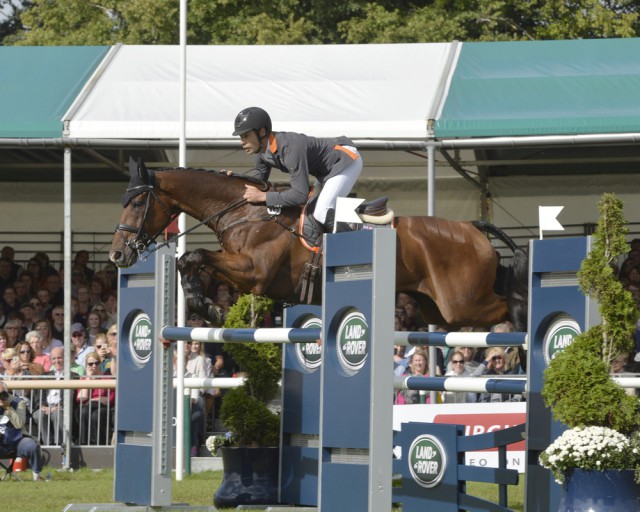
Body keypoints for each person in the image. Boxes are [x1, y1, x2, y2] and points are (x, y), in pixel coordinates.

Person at [232, 106, 363, 233]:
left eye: (246, 136)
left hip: (345, 160)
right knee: (309, 213)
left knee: (321, 212)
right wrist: (232, 179)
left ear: (261, 132)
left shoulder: (290, 148)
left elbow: (300, 195)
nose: (241, 142)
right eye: (241, 137)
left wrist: (264, 196)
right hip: (327, 171)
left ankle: (356, 246)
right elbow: (257, 184)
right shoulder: (261, 153)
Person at [32, 347, 78, 446]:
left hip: (61, 408)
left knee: (57, 414)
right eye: (54, 358)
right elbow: (39, 394)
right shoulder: (45, 376)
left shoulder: (73, 376)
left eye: (59, 358)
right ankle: (47, 444)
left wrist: (59, 406)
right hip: (46, 406)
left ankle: (60, 444)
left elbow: (71, 396)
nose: (57, 361)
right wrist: (42, 405)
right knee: (39, 414)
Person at [0, 380, 44, 481]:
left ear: (7, 392)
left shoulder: (18, 402)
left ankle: (36, 475)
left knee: (31, 445)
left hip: (16, 440)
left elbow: (19, 424)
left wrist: (8, 408)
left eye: (2, 393)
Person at [75, 352, 115, 445]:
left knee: (96, 415)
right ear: (86, 365)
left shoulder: (106, 378)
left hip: (102, 406)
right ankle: (83, 442)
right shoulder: (84, 379)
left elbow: (111, 398)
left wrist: (98, 399)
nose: (93, 366)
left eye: (96, 363)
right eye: (90, 364)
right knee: (84, 411)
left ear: (100, 364)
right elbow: (81, 398)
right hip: (87, 407)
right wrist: (88, 378)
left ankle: (99, 443)